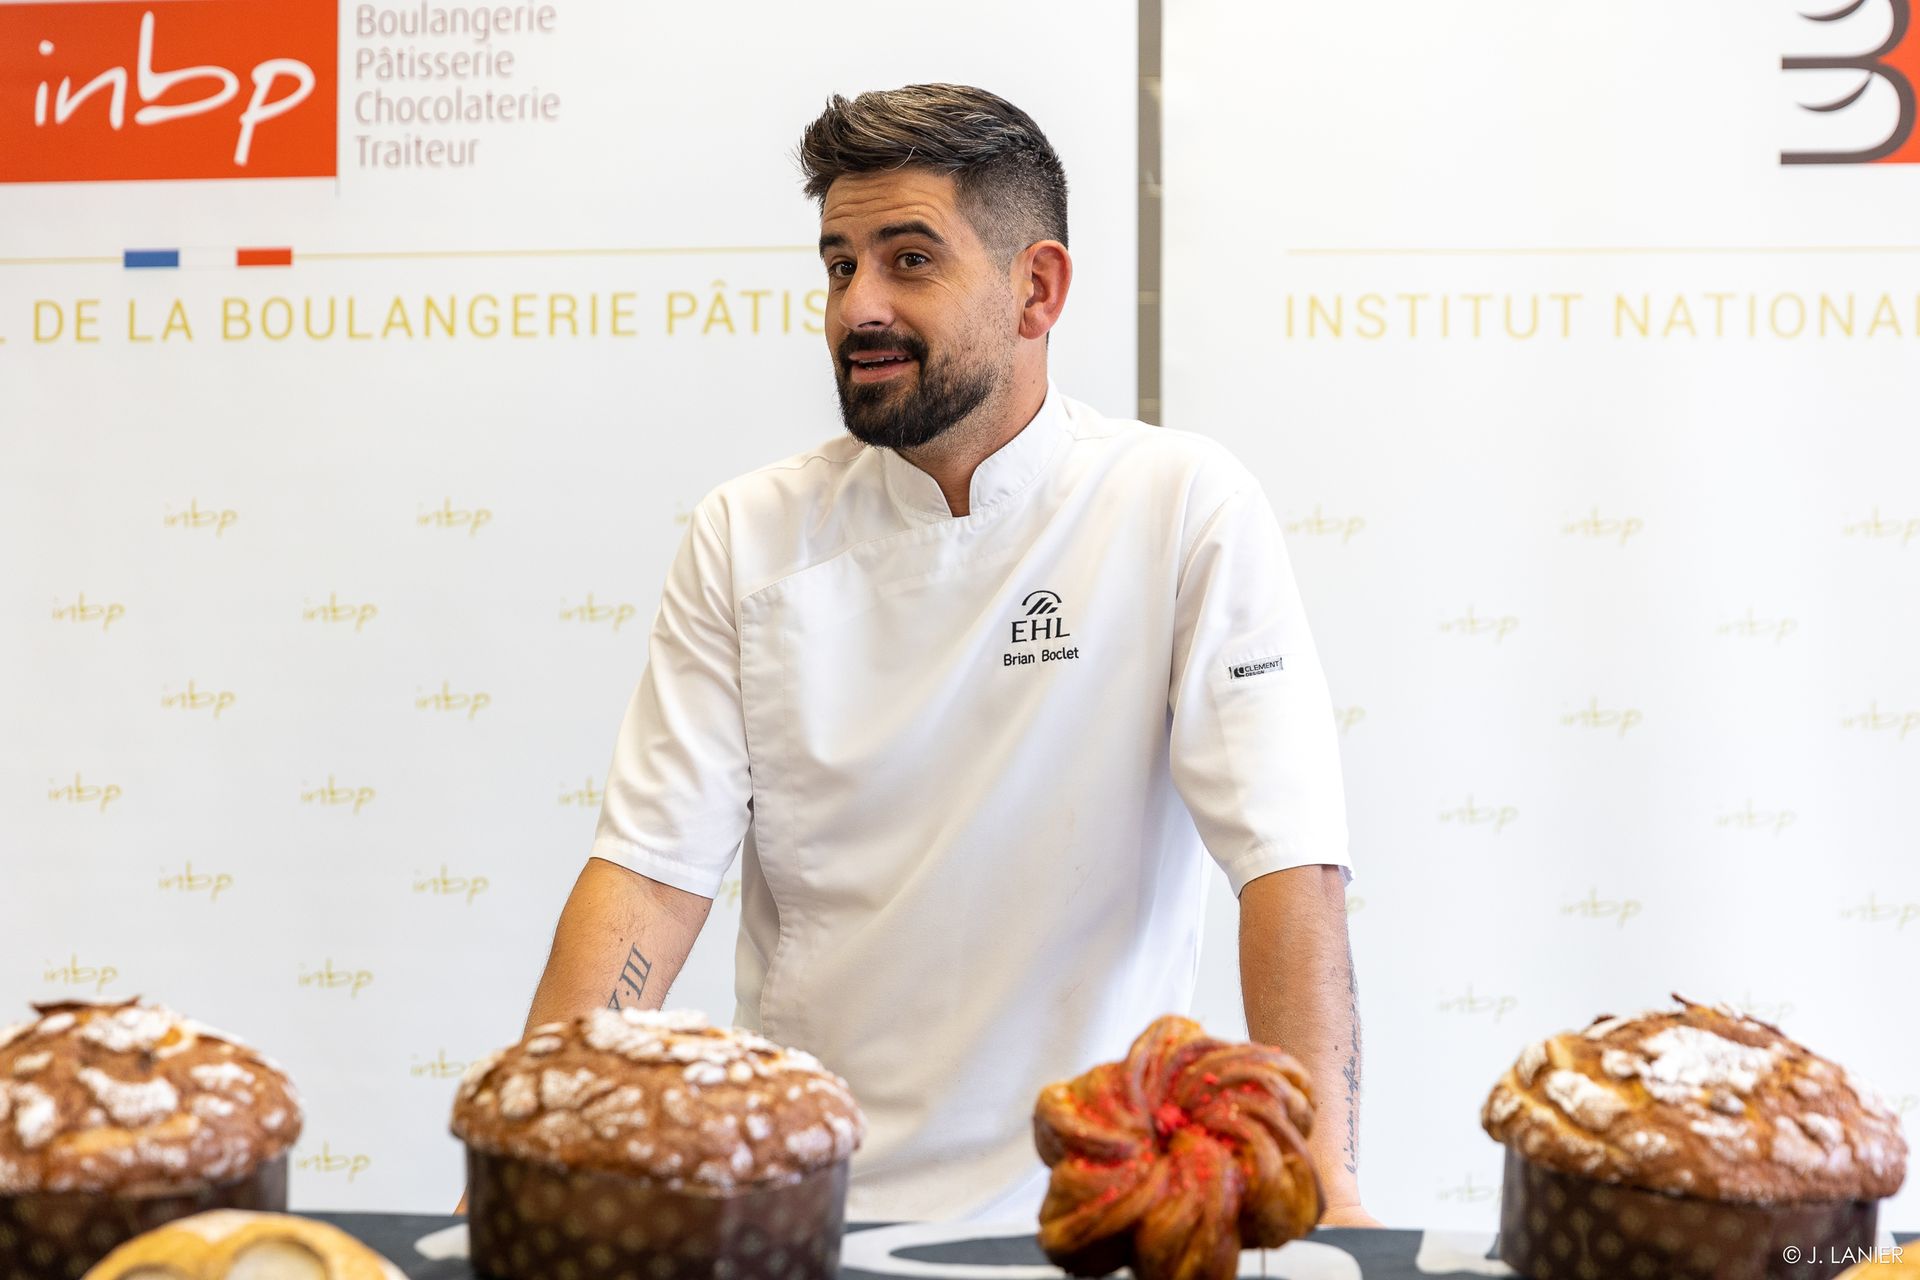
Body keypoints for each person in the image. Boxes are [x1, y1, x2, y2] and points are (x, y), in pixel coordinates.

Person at [515, 83, 1376, 1227]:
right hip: (811, 1207)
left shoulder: (1181, 505)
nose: (856, 305)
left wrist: (1327, 1193)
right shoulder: (750, 530)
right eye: (837, 265)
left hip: (1095, 1210)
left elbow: (1288, 863)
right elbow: (649, 877)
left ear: (1039, 289)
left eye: (908, 260)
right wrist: (531, 1153)